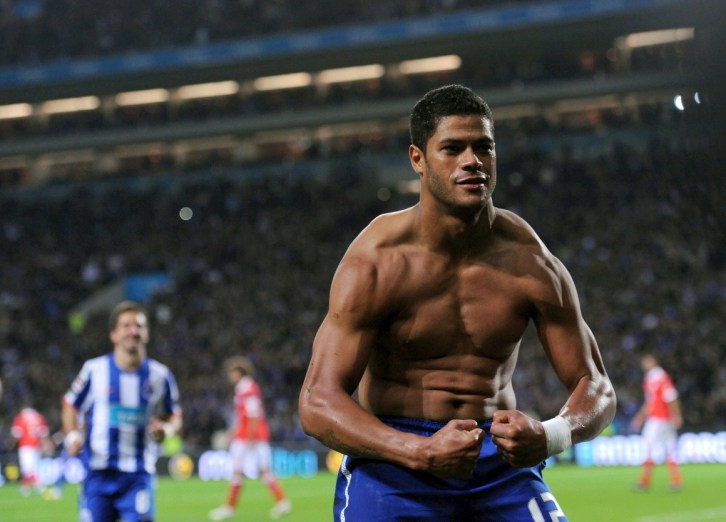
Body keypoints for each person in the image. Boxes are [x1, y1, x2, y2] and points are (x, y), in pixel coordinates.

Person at [298, 84, 617, 521]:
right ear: (418, 159)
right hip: (393, 462)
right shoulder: (377, 261)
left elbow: (597, 386)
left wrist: (551, 435)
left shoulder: (531, 261)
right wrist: (419, 451)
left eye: (483, 147)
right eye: (452, 148)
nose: (472, 161)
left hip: (498, 463)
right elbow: (317, 401)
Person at [62, 300, 182, 522]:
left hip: (138, 474)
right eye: (126, 325)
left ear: (146, 333)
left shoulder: (160, 376)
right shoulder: (94, 370)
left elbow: (175, 414)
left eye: (138, 326)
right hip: (98, 474)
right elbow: (71, 404)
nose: (133, 331)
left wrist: (167, 429)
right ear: (114, 335)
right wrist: (72, 436)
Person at [209, 356, 291, 520]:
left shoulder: (247, 388)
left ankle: (230, 508)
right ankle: (282, 503)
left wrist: (250, 436)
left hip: (249, 437)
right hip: (249, 435)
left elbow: (253, 414)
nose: (230, 376)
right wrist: (233, 433)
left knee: (241, 471)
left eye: (232, 373)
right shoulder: (246, 388)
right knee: (261, 471)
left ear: (239, 373)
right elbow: (244, 416)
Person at [630, 354, 682, 491]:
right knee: (670, 448)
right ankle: (676, 480)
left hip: (657, 419)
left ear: (654, 362)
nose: (645, 365)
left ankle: (645, 481)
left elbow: (670, 397)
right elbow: (652, 402)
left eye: (648, 362)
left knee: (648, 446)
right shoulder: (655, 377)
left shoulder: (658, 377)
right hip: (664, 419)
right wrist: (640, 417)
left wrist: (676, 415)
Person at [11, 405, 50, 496]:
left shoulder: (20, 417)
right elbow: (44, 433)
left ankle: (38, 486)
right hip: (37, 446)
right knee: (34, 467)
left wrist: (11, 443)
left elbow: (16, 434)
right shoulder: (39, 416)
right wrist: (46, 444)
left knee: (27, 469)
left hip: (25, 446)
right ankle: (26, 488)